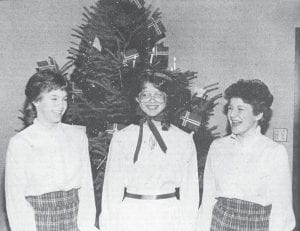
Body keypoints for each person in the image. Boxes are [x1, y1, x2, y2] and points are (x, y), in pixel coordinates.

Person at [99, 71, 199, 231]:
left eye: (159, 94)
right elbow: (112, 189)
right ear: (137, 99)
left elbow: (190, 191)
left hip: (169, 216)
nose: (152, 100)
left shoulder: (183, 139)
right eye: (145, 94)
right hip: (131, 216)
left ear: (168, 98)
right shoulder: (122, 138)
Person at [5, 70, 98, 231]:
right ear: (36, 101)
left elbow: (86, 188)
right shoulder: (21, 143)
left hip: (74, 220)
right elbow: (15, 199)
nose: (61, 105)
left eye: (64, 99)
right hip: (39, 222)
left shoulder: (77, 137)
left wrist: (86, 225)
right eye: (54, 98)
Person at [197, 79, 295, 231]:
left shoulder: (274, 152)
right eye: (230, 108)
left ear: (258, 114)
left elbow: (282, 210)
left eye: (240, 109)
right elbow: (208, 198)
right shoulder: (218, 147)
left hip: (256, 226)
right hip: (219, 224)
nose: (232, 115)